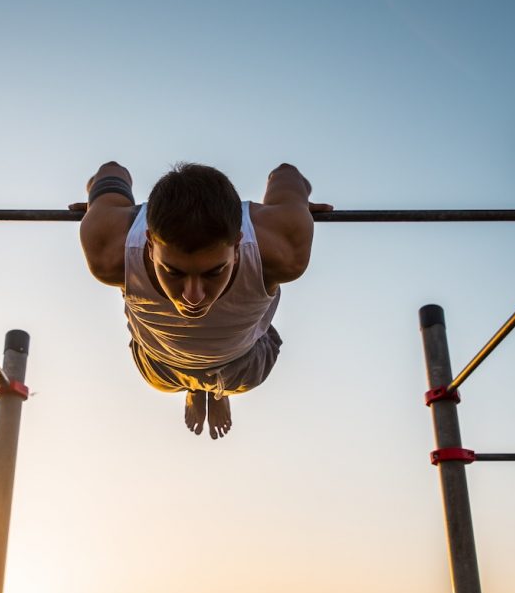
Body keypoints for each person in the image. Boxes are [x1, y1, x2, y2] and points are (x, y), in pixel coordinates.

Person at [74, 161, 331, 440]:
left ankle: (211, 387)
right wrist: (295, 208)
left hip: (240, 366)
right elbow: (112, 169)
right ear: (149, 244)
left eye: (213, 272)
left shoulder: (283, 248)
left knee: (241, 359)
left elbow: (286, 172)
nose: (192, 297)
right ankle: (203, 388)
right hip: (161, 366)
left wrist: (98, 208)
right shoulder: (107, 249)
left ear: (236, 246)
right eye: (173, 271)